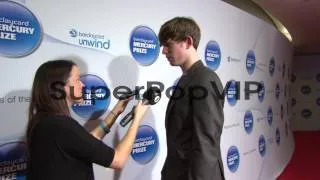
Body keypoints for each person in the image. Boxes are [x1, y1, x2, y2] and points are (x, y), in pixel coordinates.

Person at [26, 60, 149, 180]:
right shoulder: (62, 125)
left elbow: (87, 142)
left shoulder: (44, 121)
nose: (82, 85)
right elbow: (118, 160)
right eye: (77, 80)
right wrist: (137, 118)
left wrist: (116, 112)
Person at [158, 17, 225, 180]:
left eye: (168, 44)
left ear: (187, 42)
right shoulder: (188, 78)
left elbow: (206, 143)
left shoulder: (205, 80)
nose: (164, 51)